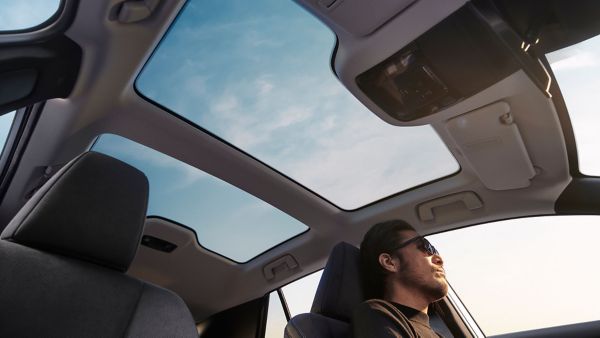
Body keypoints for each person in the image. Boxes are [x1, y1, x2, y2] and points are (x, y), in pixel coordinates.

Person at [352, 219, 447, 338]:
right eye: (424, 247)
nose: (439, 259)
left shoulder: (438, 335)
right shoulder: (374, 314)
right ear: (390, 262)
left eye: (434, 250)